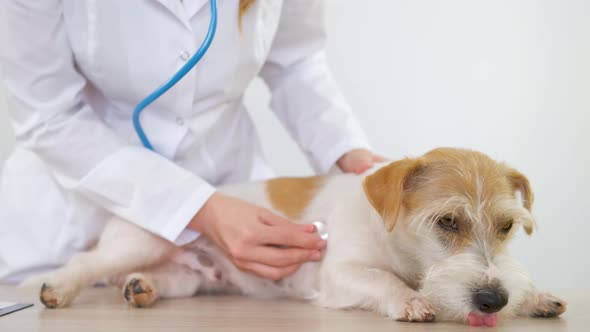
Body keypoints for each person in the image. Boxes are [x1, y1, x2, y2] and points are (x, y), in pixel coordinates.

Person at [0, 0, 383, 284]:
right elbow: (49, 117)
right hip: (61, 231)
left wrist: (347, 151)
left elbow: (296, 62)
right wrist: (201, 209)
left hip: (227, 228)